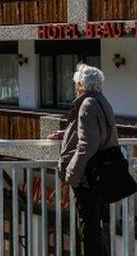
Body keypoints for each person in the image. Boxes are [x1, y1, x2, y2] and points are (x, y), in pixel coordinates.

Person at [49, 63, 119, 256]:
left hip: (88, 176)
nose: (74, 86)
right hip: (101, 173)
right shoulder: (101, 101)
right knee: (93, 226)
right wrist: (66, 134)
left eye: (75, 82)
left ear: (81, 84)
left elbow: (87, 144)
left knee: (88, 228)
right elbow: (97, 132)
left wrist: (71, 175)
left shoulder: (87, 104)